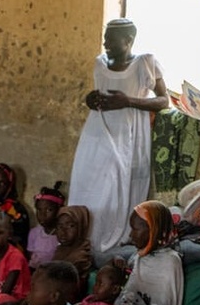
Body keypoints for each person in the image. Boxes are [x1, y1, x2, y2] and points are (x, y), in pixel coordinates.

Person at [68, 19, 169, 264]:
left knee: (118, 185)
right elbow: (97, 97)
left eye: (111, 39)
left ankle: (115, 240)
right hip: (98, 133)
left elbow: (164, 100)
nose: (106, 44)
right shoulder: (99, 64)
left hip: (129, 134)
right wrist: (91, 100)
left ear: (129, 40)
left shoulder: (145, 63)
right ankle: (88, 240)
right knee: (90, 184)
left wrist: (129, 102)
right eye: (105, 39)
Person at [52, 206, 93, 295]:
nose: (63, 231)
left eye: (71, 226)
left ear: (81, 227)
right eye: (60, 226)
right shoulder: (60, 250)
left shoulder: (81, 255)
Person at [29, 183, 65, 270]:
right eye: (39, 210)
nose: (42, 215)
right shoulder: (34, 232)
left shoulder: (62, 235)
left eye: (49, 210)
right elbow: (30, 254)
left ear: (59, 210)